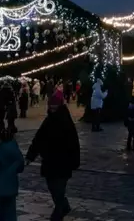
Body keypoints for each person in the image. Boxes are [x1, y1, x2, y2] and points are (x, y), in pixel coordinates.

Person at [26, 92, 80, 221]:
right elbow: (38, 139)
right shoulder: (48, 120)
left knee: (58, 189)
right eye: (51, 106)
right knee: (52, 187)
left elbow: (74, 143)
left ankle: (58, 214)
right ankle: (63, 206)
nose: (52, 109)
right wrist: (30, 156)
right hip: (50, 161)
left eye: (54, 106)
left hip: (63, 162)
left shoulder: (66, 121)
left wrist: (75, 161)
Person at [0, 128, 25, 221]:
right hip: (11, 185)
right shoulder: (16, 151)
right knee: (11, 211)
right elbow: (21, 167)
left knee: (0, 213)